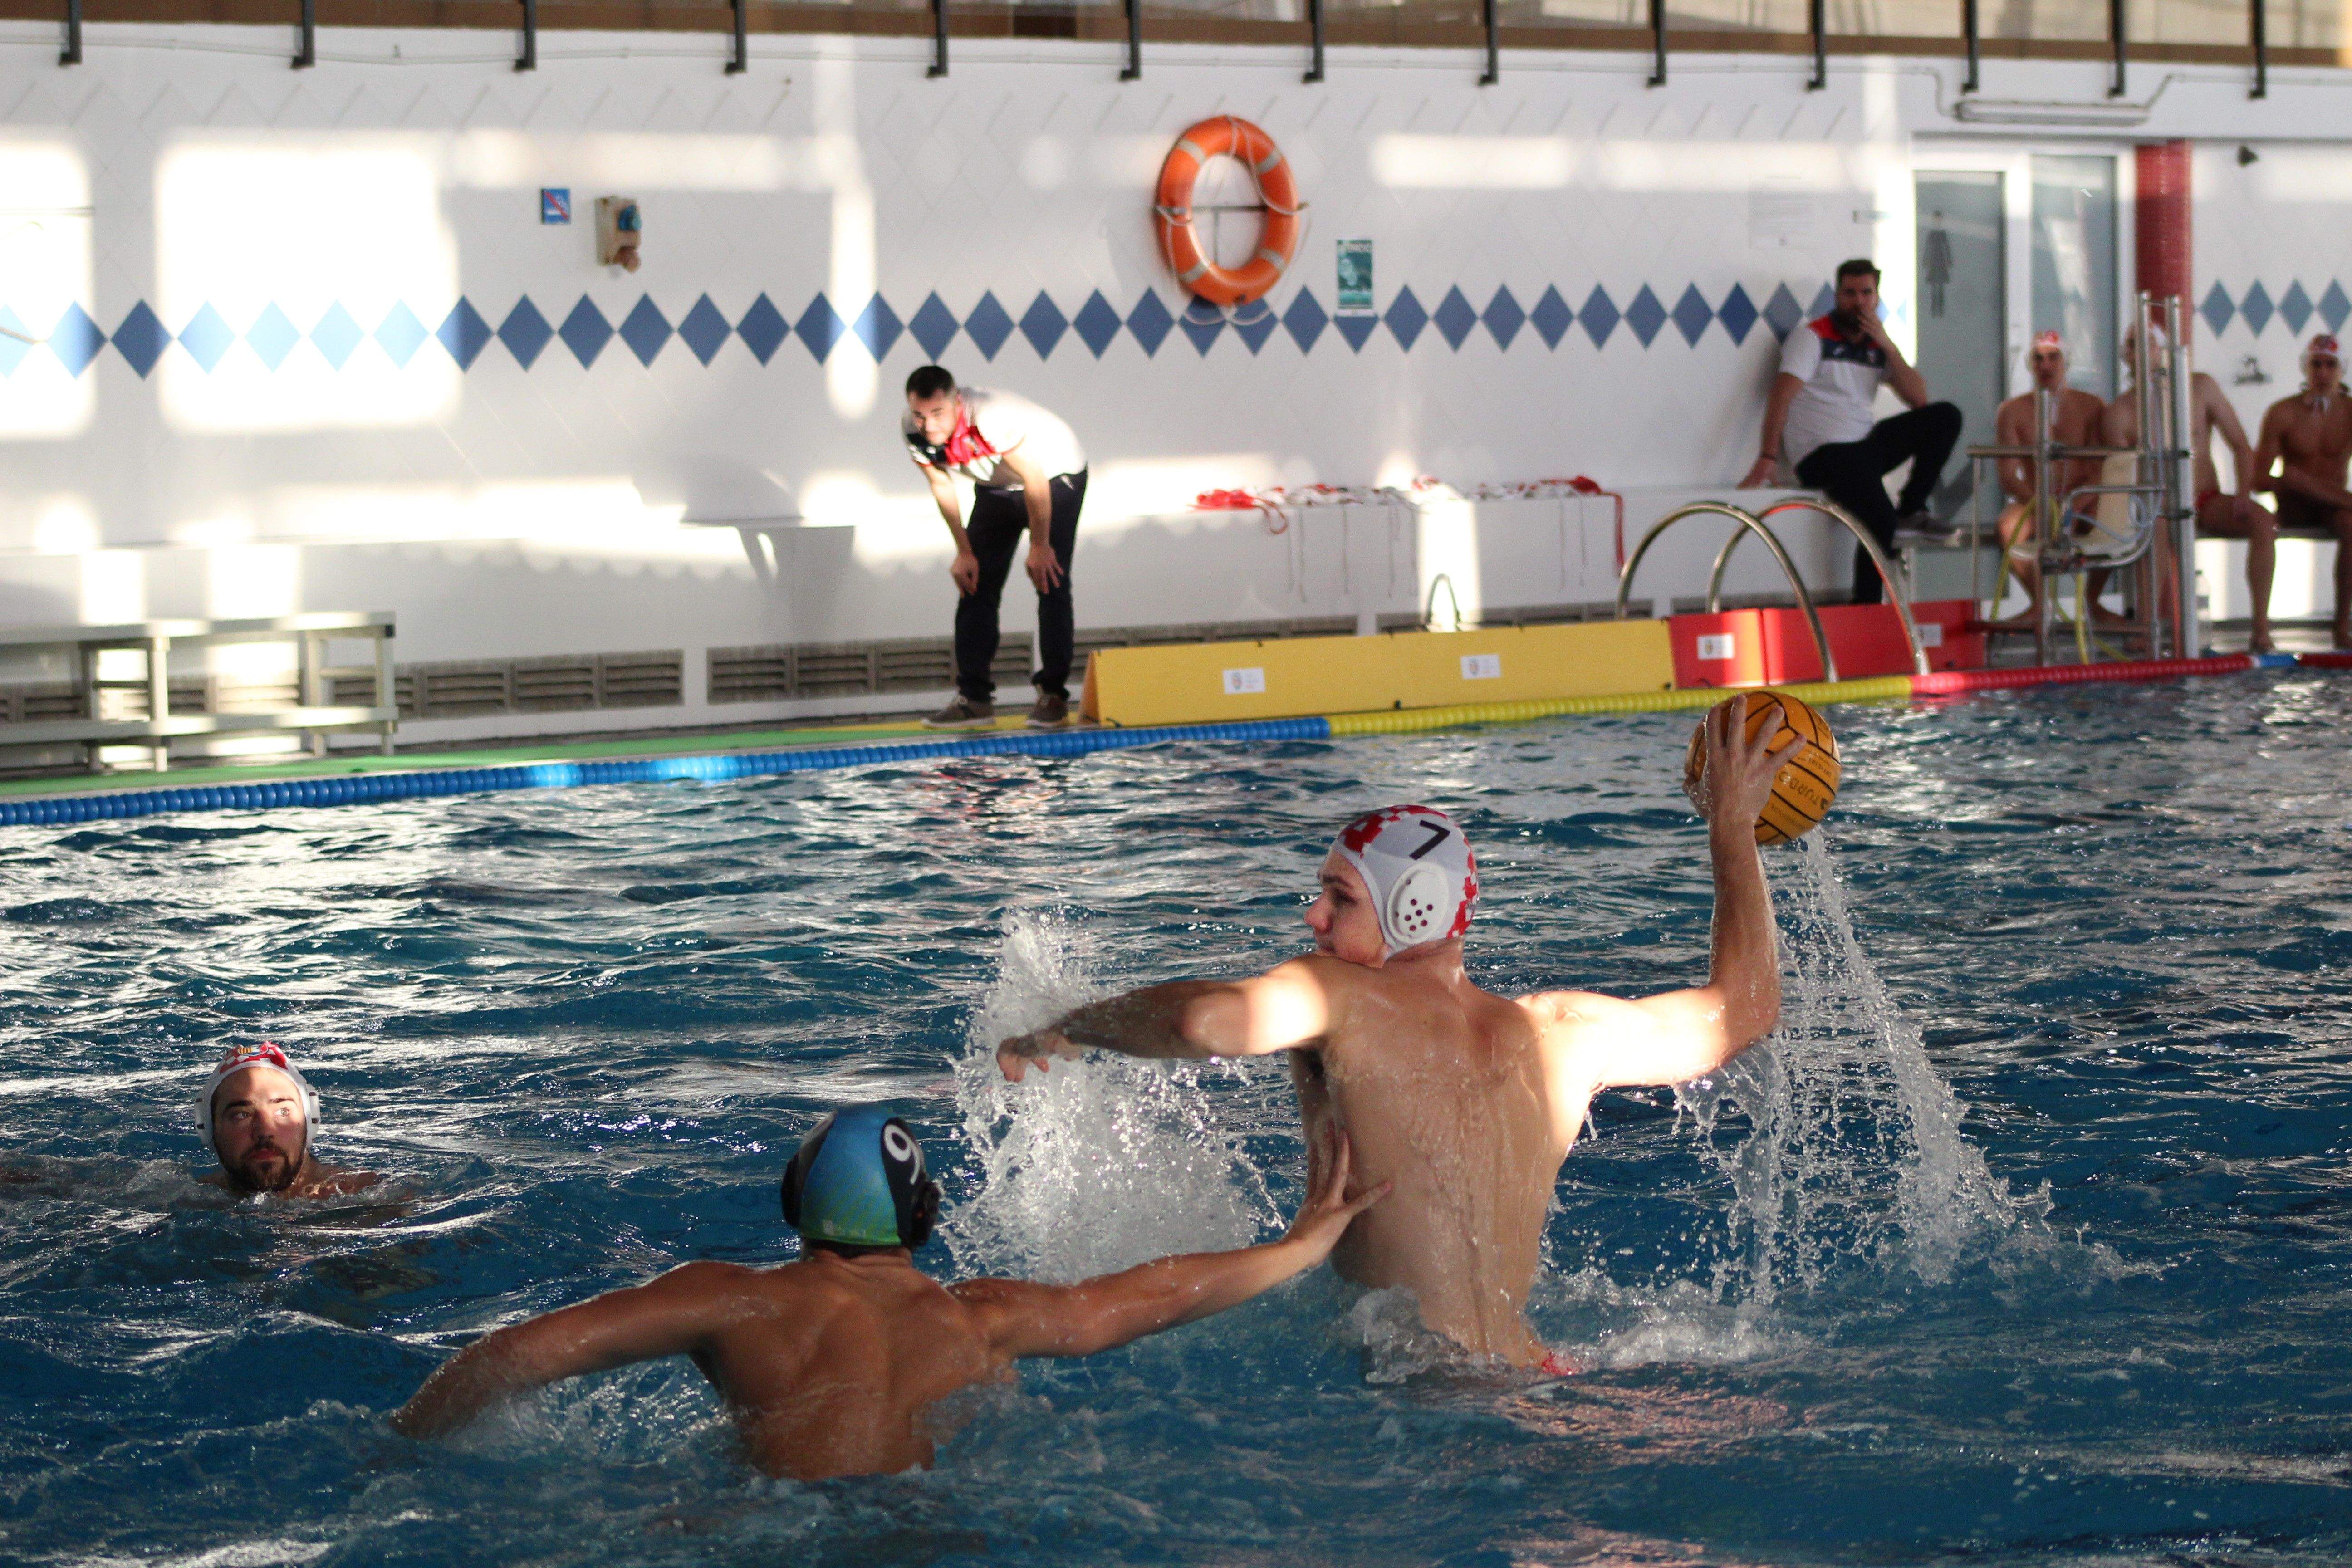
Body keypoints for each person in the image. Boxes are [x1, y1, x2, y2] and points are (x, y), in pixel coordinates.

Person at [995, 701, 1798, 1371]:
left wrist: (1073, 1022)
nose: (1312, 918)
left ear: (1410, 907)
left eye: (1336, 897)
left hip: (1428, 1391)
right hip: (1537, 1369)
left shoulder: (1340, 997)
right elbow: (1746, 1005)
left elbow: (1200, 1023)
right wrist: (1731, 828)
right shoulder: (1564, 1032)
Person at [391, 1104, 1387, 1480]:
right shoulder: (978, 1319)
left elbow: (517, 1356)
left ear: (798, 1207)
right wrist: (1302, 1245)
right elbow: (1144, 1298)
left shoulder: (732, 1302)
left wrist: (393, 1452)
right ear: (922, 1221)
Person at [1740, 259, 1964, 603]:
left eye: (1866, 293)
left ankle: (1913, 509)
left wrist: (1888, 345)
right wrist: (1767, 456)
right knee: (1879, 522)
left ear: (1876, 298)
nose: (1858, 302)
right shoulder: (1812, 338)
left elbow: (1919, 398)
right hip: (1823, 454)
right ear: (1837, 295)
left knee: (1945, 416)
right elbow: (1781, 395)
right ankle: (1867, 609)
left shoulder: (1877, 346)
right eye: (1849, 293)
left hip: (1862, 448)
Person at [902, 366, 1089, 731]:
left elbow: (1034, 479)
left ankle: (1052, 696)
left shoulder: (989, 417)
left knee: (1049, 580)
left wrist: (1039, 545)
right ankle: (974, 699)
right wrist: (964, 551)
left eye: (938, 414)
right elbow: (941, 485)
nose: (930, 427)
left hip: (1055, 477)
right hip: (996, 487)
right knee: (975, 584)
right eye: (921, 415)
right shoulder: (912, 430)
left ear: (957, 403)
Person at [2101, 328, 2274, 650]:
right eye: (2132, 345)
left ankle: (2261, 629)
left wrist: (2242, 494)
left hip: (2206, 499)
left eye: (2147, 343)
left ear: (2164, 350)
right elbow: (2123, 478)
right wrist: (2151, 504)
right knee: (2159, 524)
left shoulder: (2201, 388)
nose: (2140, 351)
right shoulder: (2120, 413)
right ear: (2126, 356)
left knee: (2263, 521)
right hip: (2159, 506)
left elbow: (2240, 444)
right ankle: (2147, 627)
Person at [1988, 332, 2111, 628]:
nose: (2046, 365)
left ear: (2066, 362)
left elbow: (2100, 468)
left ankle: (2092, 603)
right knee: (2007, 526)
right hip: (2037, 497)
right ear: (2031, 365)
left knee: (2108, 519)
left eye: (2053, 357)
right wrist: (2040, 502)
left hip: (2083, 497)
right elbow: (2007, 475)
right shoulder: (2012, 412)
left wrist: (2077, 503)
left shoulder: (2092, 407)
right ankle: (2040, 604)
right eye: (2038, 358)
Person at [2250, 333, 2352, 648]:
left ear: (2342, 370)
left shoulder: (2350, 412)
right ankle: (2261, 630)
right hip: (2293, 505)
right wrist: (2295, 482)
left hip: (2332, 509)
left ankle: (2342, 625)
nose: (2322, 372)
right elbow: (2259, 480)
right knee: (2294, 475)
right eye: (2316, 364)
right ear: (2304, 369)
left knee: (2351, 524)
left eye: (2330, 365)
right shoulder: (2283, 413)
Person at [198, 1043, 374, 1198]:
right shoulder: (193, 1200)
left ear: (310, 1121)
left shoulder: (367, 1195)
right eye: (242, 1115)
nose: (264, 1132)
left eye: (283, 1111)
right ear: (209, 1129)